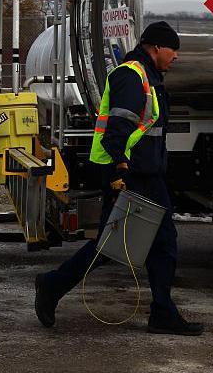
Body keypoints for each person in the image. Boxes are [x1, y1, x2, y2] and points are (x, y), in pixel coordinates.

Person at [34, 21, 203, 336]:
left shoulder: (149, 77)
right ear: (155, 47)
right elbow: (116, 133)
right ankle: (52, 285)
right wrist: (118, 173)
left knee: (164, 244)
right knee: (109, 247)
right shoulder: (131, 76)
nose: (176, 56)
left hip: (149, 176)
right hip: (129, 176)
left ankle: (163, 312)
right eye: (173, 49)